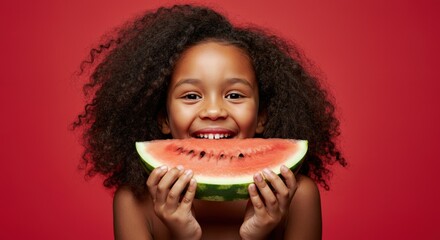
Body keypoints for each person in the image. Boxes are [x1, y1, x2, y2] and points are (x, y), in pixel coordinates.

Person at [74, 4, 346, 240]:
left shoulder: (297, 196)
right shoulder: (133, 203)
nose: (214, 111)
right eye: (191, 95)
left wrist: (258, 235)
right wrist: (183, 236)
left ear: (262, 117)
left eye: (234, 95)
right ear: (163, 119)